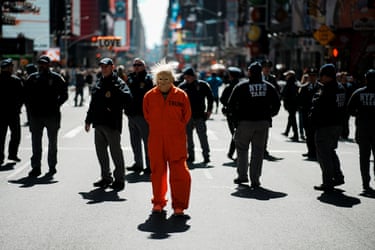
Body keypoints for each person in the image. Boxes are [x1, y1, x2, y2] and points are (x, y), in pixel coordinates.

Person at [143, 61, 192, 215]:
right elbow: (147, 116)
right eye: (160, 79)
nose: (163, 82)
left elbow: (186, 116)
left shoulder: (181, 95)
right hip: (156, 140)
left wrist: (175, 128)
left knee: (179, 173)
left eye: (166, 79)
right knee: (157, 172)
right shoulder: (149, 96)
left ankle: (179, 205)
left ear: (172, 80)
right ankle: (158, 202)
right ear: (155, 80)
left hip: (176, 140)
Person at [228, 62, 281, 187]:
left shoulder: (241, 86)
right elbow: (277, 104)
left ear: (250, 72)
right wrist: (268, 116)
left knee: (242, 149)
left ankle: (242, 176)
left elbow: (231, 105)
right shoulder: (268, 86)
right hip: (263, 123)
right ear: (261, 72)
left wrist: (237, 121)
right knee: (258, 151)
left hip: (245, 123)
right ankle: (255, 179)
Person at [85, 58, 132, 191]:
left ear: (112, 67)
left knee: (115, 152)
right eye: (102, 66)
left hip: (112, 123)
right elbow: (93, 103)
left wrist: (114, 93)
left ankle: (119, 179)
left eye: (106, 66)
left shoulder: (118, 82)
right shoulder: (99, 81)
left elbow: (128, 99)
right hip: (98, 122)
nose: (104, 69)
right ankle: (106, 177)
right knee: (101, 152)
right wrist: (88, 120)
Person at [24, 55, 68, 177]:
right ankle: (36, 167)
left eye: (44, 64)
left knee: (52, 143)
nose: (41, 66)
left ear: (49, 65)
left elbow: (64, 94)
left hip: (52, 116)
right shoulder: (32, 78)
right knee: (36, 142)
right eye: (40, 64)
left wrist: (56, 105)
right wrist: (31, 108)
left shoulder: (56, 78)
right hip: (36, 116)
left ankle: (52, 166)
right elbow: (25, 95)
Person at [310, 64, 346, 192]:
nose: (320, 78)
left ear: (326, 76)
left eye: (322, 76)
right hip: (337, 125)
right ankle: (338, 176)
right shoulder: (340, 87)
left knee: (323, 155)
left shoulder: (327, 89)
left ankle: (327, 182)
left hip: (325, 125)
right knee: (330, 151)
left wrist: (315, 99)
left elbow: (318, 106)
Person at [347, 69, 375, 194]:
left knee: (364, 157)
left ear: (366, 79)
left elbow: (349, 109)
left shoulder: (358, 93)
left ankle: (366, 184)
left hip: (363, 128)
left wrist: (360, 113)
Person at [178, 67, 214, 163]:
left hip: (199, 115)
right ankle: (191, 156)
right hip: (186, 116)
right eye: (185, 76)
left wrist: (209, 110)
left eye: (188, 76)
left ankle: (206, 155)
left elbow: (210, 97)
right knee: (188, 137)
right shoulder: (182, 86)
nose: (186, 78)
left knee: (202, 136)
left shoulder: (202, 85)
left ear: (193, 76)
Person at [126, 58, 153, 174]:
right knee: (134, 141)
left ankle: (150, 165)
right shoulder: (130, 78)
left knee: (147, 141)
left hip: (143, 115)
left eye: (139, 65)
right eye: (135, 65)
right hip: (131, 114)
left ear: (144, 66)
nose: (136, 67)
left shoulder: (148, 79)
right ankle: (138, 164)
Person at [0, 59, 24, 166]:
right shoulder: (16, 80)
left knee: (1, 136)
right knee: (16, 135)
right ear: (8, 67)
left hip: (2, 113)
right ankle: (12, 154)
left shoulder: (16, 80)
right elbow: (22, 96)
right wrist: (18, 107)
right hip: (13, 113)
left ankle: (1, 157)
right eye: (11, 66)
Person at [220, 66, 242, 161]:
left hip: (231, 114)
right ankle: (232, 153)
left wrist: (227, 106)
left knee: (236, 134)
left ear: (231, 76)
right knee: (237, 134)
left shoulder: (229, 87)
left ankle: (234, 153)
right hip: (240, 114)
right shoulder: (242, 86)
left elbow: (222, 99)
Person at [298, 67, 320, 160]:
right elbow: (300, 101)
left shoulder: (321, 87)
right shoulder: (304, 88)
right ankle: (310, 152)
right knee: (309, 135)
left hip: (318, 116)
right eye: (310, 76)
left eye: (314, 76)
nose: (312, 78)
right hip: (307, 115)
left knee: (317, 135)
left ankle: (317, 152)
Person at [261, 59, 282, 161]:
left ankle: (263, 149)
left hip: (267, 109)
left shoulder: (272, 78)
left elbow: (277, 91)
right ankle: (258, 148)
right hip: (257, 107)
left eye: (269, 68)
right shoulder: (257, 77)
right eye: (265, 67)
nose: (267, 69)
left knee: (265, 130)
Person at [281, 70, 300, 142]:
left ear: (290, 76)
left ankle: (296, 135)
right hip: (293, 104)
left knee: (292, 119)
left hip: (291, 104)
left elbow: (285, 93)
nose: (286, 77)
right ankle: (287, 132)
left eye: (287, 75)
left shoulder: (290, 83)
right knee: (291, 118)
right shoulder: (295, 82)